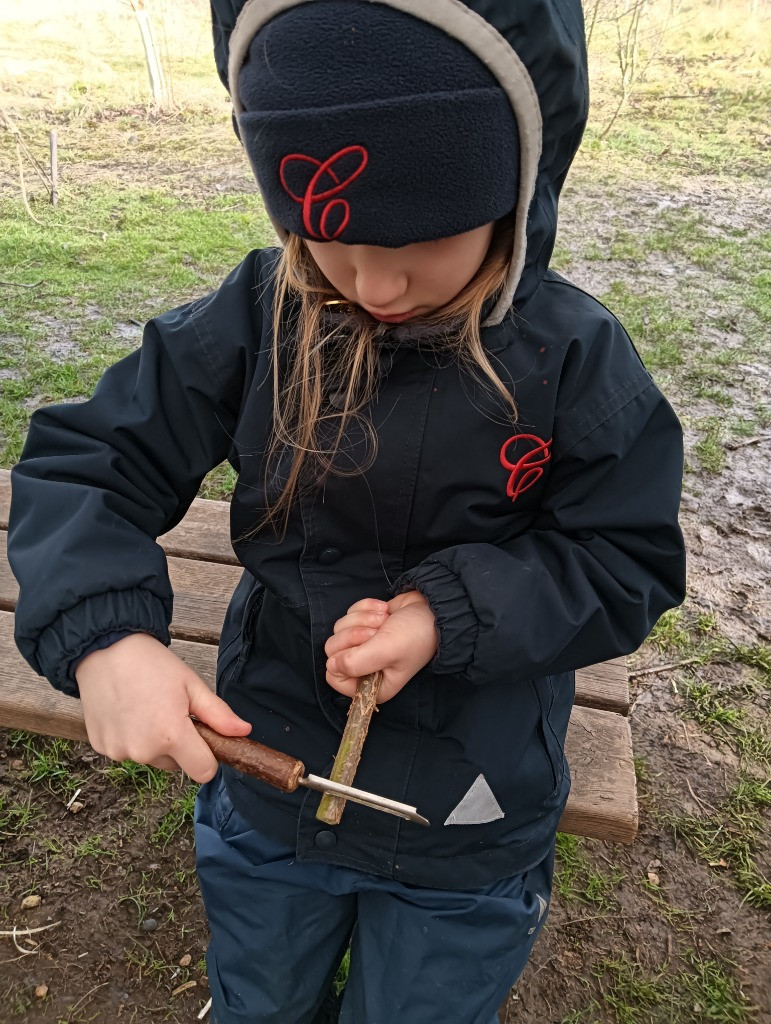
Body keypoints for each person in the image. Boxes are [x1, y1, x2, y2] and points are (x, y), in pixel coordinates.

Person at [7, 1, 686, 1021]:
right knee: (259, 994)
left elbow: (622, 558)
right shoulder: (254, 321)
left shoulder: (576, 361)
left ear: (519, 183)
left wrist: (447, 613)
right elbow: (85, 464)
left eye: (419, 234)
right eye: (324, 230)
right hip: (269, 784)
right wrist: (105, 637)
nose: (373, 279)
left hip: (469, 811)